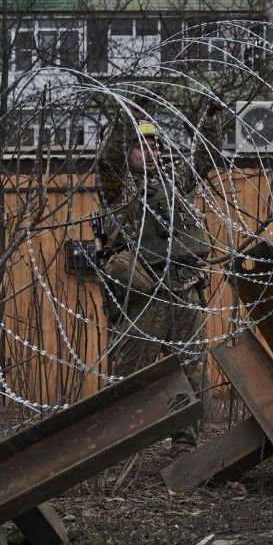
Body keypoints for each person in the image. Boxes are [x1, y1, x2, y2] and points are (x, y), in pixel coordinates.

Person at [94, 118, 211, 458]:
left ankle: (184, 445)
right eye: (138, 146)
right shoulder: (118, 189)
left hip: (185, 286)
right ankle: (119, 446)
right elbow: (108, 161)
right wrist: (124, 119)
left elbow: (203, 161)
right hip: (147, 292)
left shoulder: (173, 182)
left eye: (152, 147)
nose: (147, 152)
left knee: (189, 367)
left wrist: (212, 120)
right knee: (133, 374)